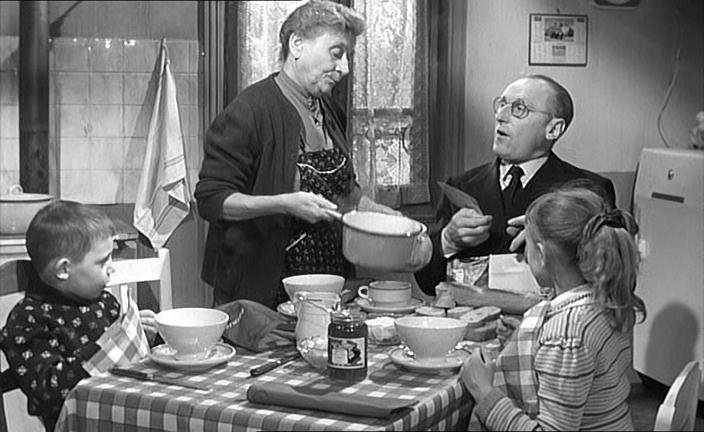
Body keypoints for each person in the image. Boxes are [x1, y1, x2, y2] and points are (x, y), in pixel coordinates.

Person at [195, 0, 422, 308]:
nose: (344, 69)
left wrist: (385, 217)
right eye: (337, 53)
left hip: (330, 287)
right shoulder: (248, 112)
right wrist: (283, 203)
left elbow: (345, 193)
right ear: (297, 45)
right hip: (260, 295)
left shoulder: (330, 111)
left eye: (348, 57)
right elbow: (211, 199)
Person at [459, 187, 646, 430]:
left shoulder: (566, 333)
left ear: (542, 253)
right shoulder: (606, 299)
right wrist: (536, 342)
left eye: (527, 245)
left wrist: (483, 391)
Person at [415, 74, 616, 294]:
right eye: (502, 104)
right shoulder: (461, 186)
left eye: (519, 109)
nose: (501, 116)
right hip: (469, 316)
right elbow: (428, 284)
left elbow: (614, 280)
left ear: (553, 129)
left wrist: (557, 242)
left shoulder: (588, 191)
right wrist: (448, 241)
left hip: (554, 316)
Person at [0, 201, 157, 431]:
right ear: (64, 270)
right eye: (103, 261)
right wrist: (104, 349)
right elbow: (47, 391)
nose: (112, 268)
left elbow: (129, 361)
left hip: (127, 414)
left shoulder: (104, 301)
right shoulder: (28, 320)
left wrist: (143, 334)